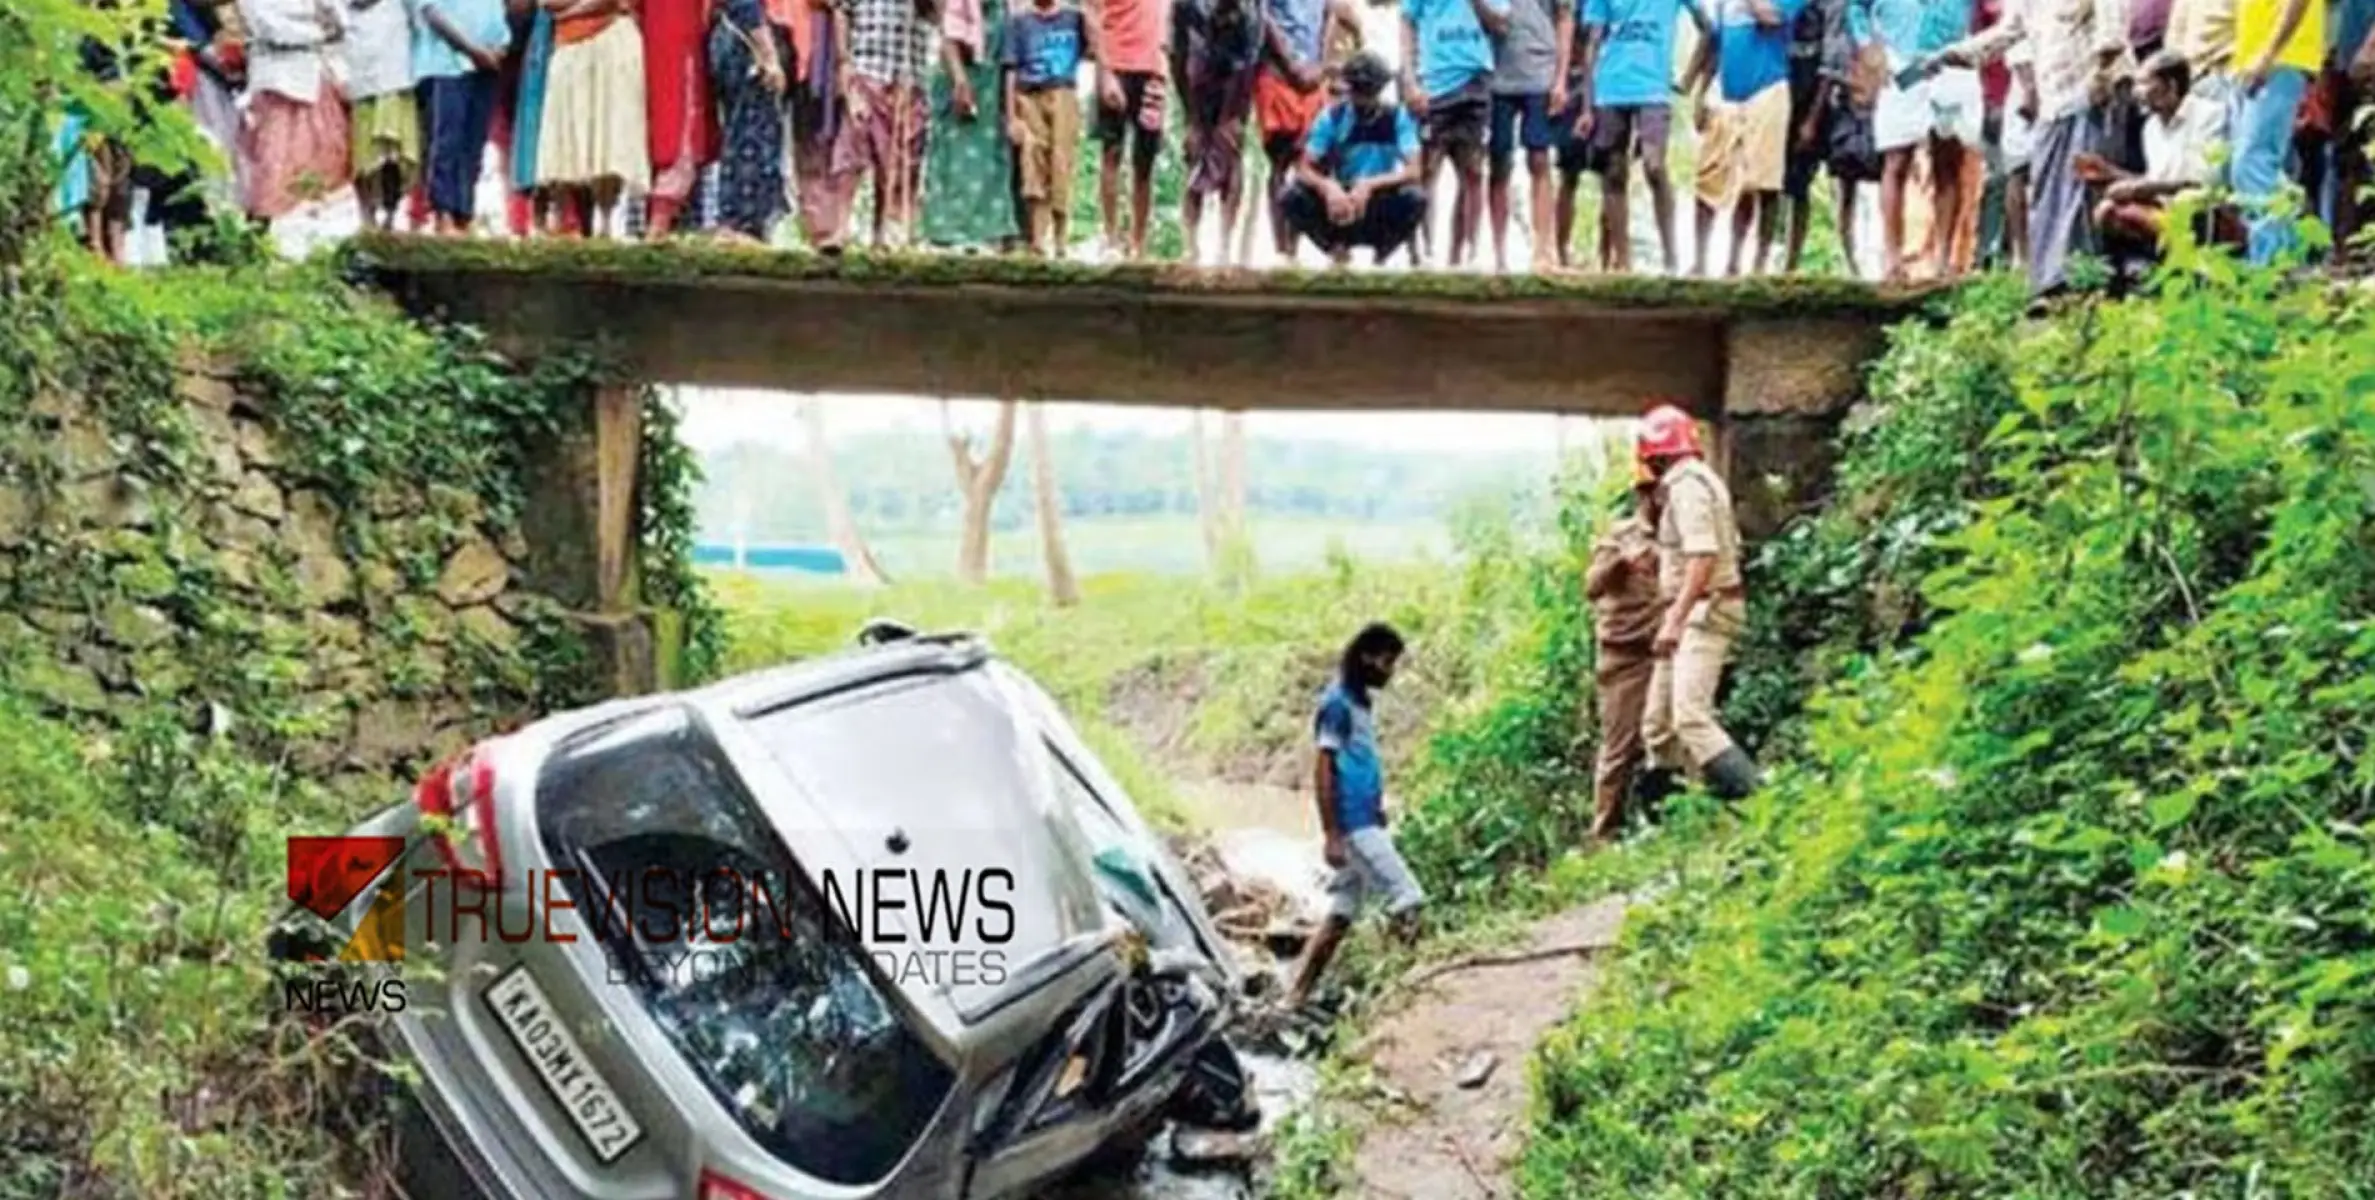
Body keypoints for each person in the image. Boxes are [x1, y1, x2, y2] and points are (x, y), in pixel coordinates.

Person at [1936, 0, 2134, 296]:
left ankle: (2089, 280)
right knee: (2048, 191)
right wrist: (1961, 54)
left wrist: (2100, 76)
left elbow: (2111, 32)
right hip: (2055, 100)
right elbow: (2009, 31)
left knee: (2084, 188)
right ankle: (2054, 282)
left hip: (2094, 94)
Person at [1285, 622, 1425, 1011]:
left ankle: (1295, 995)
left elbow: (1358, 761)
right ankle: (1403, 991)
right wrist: (1331, 832)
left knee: (1341, 912)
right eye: (1386, 661)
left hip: (1364, 818)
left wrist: (1377, 802)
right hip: (1353, 824)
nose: (1390, 670)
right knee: (1408, 897)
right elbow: (1324, 768)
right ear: (1365, 657)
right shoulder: (1337, 704)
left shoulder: (1359, 701)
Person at [1635, 403, 1761, 801]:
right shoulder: (1690, 482)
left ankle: (1761, 802)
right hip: (1691, 611)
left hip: (1704, 612)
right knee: (1658, 725)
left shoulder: (1688, 486)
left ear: (1654, 454)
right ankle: (1672, 819)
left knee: (1690, 716)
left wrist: (1675, 619)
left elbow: (1703, 556)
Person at [1850, 0, 1983, 282]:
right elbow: (1855, 8)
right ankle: (1892, 259)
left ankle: (1944, 259)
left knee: (1947, 161)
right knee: (1896, 160)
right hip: (1899, 63)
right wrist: (1868, 46)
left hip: (1949, 60)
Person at [1576, 0, 1709, 273]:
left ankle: (1671, 259)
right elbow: (1593, 43)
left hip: (1654, 89)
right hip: (1611, 87)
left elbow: (1708, 29)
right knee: (1613, 171)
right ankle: (1623, 261)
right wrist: (1587, 105)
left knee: (1654, 165)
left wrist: (1688, 79)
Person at [1279, 49, 1431, 261]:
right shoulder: (1332, 117)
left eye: (1368, 91)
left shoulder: (1397, 117)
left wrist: (1370, 184)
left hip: (1378, 199)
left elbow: (1414, 170)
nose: (1362, 99)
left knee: (1416, 198)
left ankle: (1383, 254)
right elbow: (1303, 168)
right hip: (1341, 199)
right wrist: (1328, 187)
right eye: (1358, 90)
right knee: (1291, 196)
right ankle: (1334, 249)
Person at [2082, 48, 2223, 273]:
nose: (2138, 92)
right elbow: (2158, 181)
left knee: (2123, 212)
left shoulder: (2209, 116)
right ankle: (2134, 272)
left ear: (2171, 85)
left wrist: (2139, 188)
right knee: (2106, 209)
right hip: (2166, 208)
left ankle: (2180, 267)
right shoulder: (2151, 127)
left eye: (2146, 84)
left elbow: (2204, 181)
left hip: (2203, 215)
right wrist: (2110, 174)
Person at [1695, 0, 1808, 275]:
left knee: (1763, 181)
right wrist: (1700, 92)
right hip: (1727, 95)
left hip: (1769, 89)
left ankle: (1756, 262)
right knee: (1708, 177)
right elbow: (1716, 45)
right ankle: (1700, 261)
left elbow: (1771, 18)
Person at [1583, 463, 1664, 845]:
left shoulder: (1678, 537)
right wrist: (1622, 560)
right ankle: (1604, 834)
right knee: (1619, 748)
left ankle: (1668, 820)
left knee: (1668, 738)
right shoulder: (1620, 536)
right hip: (1624, 656)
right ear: (1643, 495)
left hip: (1666, 651)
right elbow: (1592, 586)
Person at [1258, 0, 1364, 261]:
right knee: (1280, 162)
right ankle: (1283, 251)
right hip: (1278, 73)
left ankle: (1330, 243)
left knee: (1315, 160)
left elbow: (1331, 13)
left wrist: (1321, 64)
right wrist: (1291, 64)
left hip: (1313, 75)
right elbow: (1262, 15)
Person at [534, 0, 647, 238]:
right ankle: (568, 221)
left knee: (609, 133)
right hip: (568, 43)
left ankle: (606, 219)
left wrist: (574, 8)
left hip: (612, 38)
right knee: (567, 132)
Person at [1402, 0, 1500, 269]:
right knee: (1428, 169)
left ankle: (1466, 253)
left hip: (1475, 80)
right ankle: (1424, 251)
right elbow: (1407, 22)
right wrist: (1409, 79)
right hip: (1434, 82)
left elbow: (1500, 24)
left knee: (1473, 170)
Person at [238, 0, 352, 229]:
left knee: (325, 155)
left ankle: (312, 230)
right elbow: (271, 29)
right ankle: (260, 231)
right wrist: (317, 32)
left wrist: (324, 21)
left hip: (315, 77)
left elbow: (342, 22)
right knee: (274, 162)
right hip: (278, 84)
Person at [835, 0, 939, 247]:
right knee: (853, 149)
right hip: (867, 71)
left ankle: (886, 233)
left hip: (908, 78)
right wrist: (844, 62)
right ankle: (840, 229)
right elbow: (842, 10)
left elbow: (939, 17)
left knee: (900, 161)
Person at [1173, 0, 1268, 263]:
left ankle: (1225, 243)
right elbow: (1178, 58)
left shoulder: (1250, 16)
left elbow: (1246, 67)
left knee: (1231, 151)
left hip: (1235, 87)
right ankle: (1190, 244)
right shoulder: (1187, 7)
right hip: (1198, 80)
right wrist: (1190, 118)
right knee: (1195, 153)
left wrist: (1231, 118)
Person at [1487, 0, 1577, 273]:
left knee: (1539, 158)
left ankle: (1543, 249)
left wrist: (1561, 79)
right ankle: (1498, 255)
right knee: (1499, 163)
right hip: (1496, 75)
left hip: (1540, 73)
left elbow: (1565, 18)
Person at [925, 0, 1023, 248]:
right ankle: (949, 231)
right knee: (955, 158)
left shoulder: (1006, 7)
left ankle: (990, 233)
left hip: (993, 86)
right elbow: (948, 34)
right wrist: (959, 80)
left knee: (992, 159)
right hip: (961, 79)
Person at [413, 0, 512, 233]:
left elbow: (498, 17)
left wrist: (499, 49)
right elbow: (430, 12)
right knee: (447, 140)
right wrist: (471, 50)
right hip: (446, 63)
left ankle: (465, 213)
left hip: (486, 65)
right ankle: (443, 212)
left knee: (474, 143)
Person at [1088, 0, 1173, 260]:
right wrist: (1105, 72)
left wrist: (1165, 63)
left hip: (1153, 71)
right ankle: (1110, 238)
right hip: (1117, 64)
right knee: (1111, 152)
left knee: (1145, 162)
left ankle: (1139, 244)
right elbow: (1092, 15)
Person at [1004, 0, 1091, 253]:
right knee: (1033, 161)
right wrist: (1012, 116)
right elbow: (1011, 69)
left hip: (1064, 91)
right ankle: (1038, 238)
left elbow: (1092, 48)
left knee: (1062, 161)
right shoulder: (1019, 21)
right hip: (1029, 95)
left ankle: (1062, 237)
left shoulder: (1074, 17)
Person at [712, 0, 793, 240]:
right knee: (752, 133)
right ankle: (741, 223)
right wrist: (769, 56)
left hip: (733, 35)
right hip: (745, 41)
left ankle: (746, 223)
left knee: (744, 130)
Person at [641, 0, 719, 236]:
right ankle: (661, 218)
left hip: (655, 36)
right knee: (680, 117)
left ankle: (662, 218)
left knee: (664, 117)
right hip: (680, 38)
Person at [345, 0, 416, 231]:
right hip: (360, 69)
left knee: (394, 153)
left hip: (395, 67)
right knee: (365, 156)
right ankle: (368, 217)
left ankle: (391, 217)